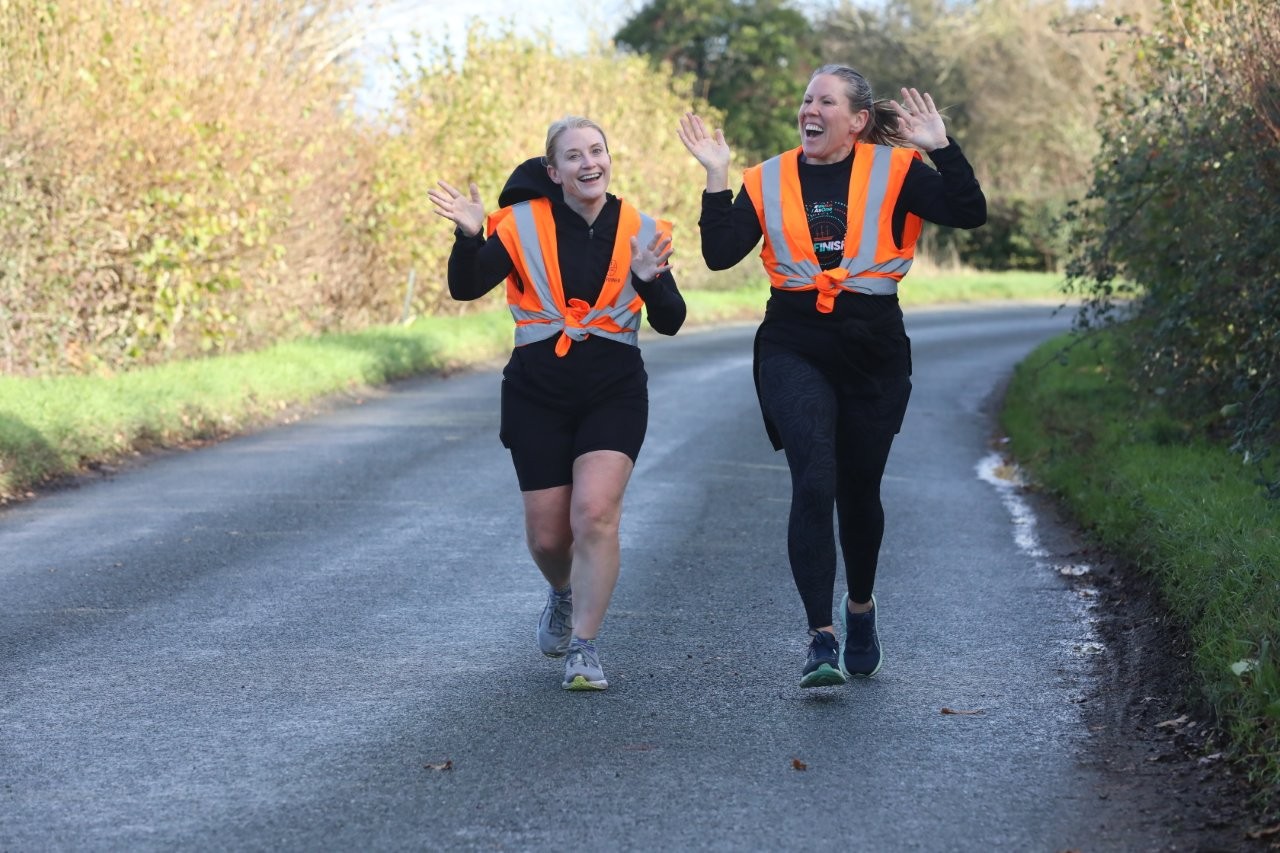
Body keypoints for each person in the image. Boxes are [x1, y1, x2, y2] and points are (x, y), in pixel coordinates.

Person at [677, 65, 986, 688]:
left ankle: (861, 606)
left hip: (873, 347)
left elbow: (969, 212)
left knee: (859, 489)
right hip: (794, 341)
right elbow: (718, 254)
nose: (809, 110)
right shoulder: (766, 178)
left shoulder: (896, 171)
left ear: (857, 120)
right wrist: (715, 176)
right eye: (805, 99)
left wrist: (941, 149)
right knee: (813, 476)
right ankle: (821, 636)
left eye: (825, 101)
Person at [428, 116, 686, 691]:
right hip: (536, 392)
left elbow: (671, 321)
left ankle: (586, 648)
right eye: (573, 156)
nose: (588, 163)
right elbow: (466, 288)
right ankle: (562, 593)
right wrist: (470, 236)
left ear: (609, 159)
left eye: (597, 151)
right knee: (549, 537)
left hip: (613, 389)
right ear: (553, 171)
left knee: (594, 513)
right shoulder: (519, 224)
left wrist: (651, 280)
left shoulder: (641, 228)